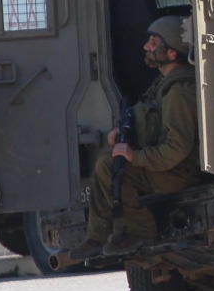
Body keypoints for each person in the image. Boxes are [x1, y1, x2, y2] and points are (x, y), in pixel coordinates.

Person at [69, 16, 206, 260]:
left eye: (154, 43)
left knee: (111, 167)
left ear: (172, 53)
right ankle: (97, 236)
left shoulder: (178, 92)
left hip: (178, 173)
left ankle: (141, 231)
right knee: (106, 163)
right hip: (168, 168)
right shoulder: (164, 83)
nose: (146, 47)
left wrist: (136, 157)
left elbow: (177, 148)